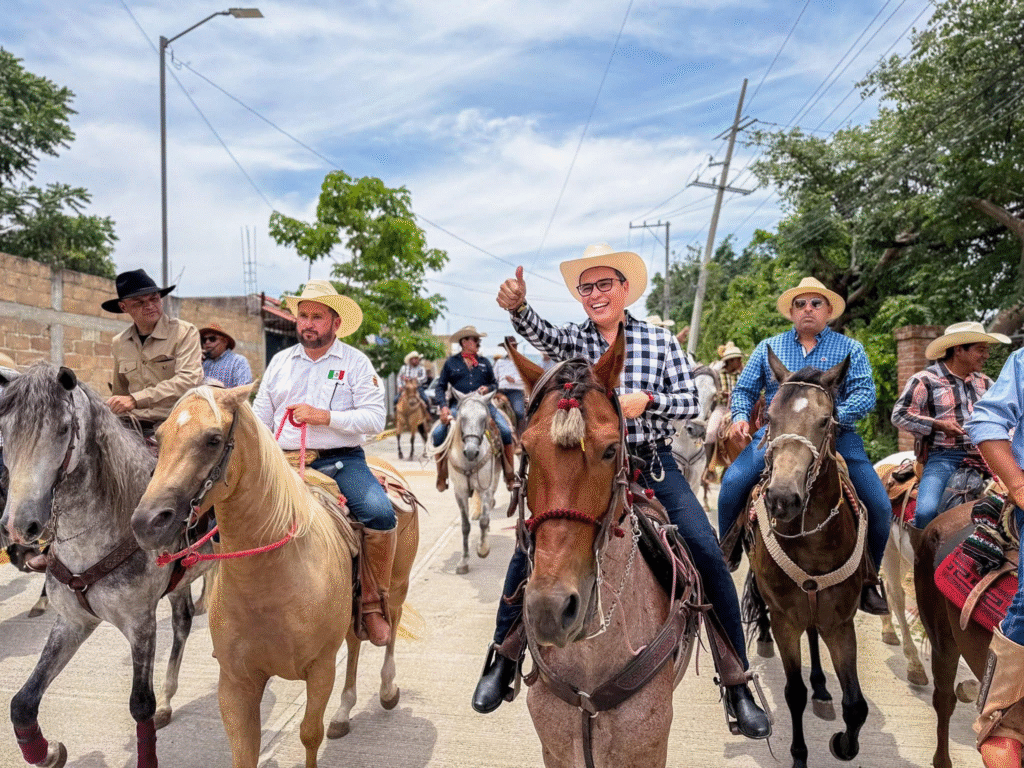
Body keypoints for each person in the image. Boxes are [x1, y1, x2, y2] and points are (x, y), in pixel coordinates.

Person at [476, 242, 771, 740]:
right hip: (588, 467)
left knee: (706, 552)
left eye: (604, 285)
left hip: (650, 464)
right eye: (586, 288)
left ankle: (736, 679)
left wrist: (647, 400)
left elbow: (688, 402)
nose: (595, 294)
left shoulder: (660, 341)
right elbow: (539, 332)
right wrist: (518, 306)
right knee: (532, 543)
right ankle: (503, 656)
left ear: (624, 289)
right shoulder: (574, 341)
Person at [716, 277, 891, 615]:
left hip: (836, 434)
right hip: (778, 435)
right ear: (791, 312)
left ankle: (869, 579)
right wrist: (739, 417)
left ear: (828, 311)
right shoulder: (769, 347)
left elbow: (865, 394)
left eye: (815, 303)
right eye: (800, 304)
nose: (807, 309)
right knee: (733, 483)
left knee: (880, 506)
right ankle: (727, 552)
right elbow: (745, 391)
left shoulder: (850, 348)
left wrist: (826, 418)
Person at [251, 280, 396, 647]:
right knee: (229, 515)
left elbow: (374, 419)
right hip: (283, 460)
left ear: (336, 323)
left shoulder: (356, 363)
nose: (308, 323)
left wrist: (324, 416)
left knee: (380, 514)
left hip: (340, 460)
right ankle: (239, 603)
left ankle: (371, 603)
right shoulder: (280, 362)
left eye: (317, 317)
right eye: (303, 315)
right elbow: (260, 419)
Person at [891, 321, 1008, 535]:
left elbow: (1004, 415)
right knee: (926, 512)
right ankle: (922, 555)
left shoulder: (985, 382)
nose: (986, 356)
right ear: (959, 350)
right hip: (944, 456)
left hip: (987, 454)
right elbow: (899, 416)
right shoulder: (925, 380)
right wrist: (937, 425)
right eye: (981, 350)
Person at [965, 346, 1024, 767]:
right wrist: (1017, 486)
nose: (982, 353)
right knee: (924, 506)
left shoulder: (982, 379)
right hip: (951, 454)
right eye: (977, 348)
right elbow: (986, 421)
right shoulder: (927, 381)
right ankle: (1004, 718)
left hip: (986, 461)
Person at [103, 269, 203, 434]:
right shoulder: (119, 342)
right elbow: (120, 392)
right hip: (133, 426)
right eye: (139, 302)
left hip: (177, 424)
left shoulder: (184, 332)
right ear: (123, 307)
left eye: (154, 299)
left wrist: (136, 400)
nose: (150, 306)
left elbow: (189, 380)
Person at [431, 326, 515, 493]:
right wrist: (444, 407)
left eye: (478, 340)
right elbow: (440, 387)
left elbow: (494, 384)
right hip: (459, 406)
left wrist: (487, 388)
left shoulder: (484, 363)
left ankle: (509, 475)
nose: (478, 343)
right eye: (475, 340)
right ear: (464, 342)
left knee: (505, 431)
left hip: (484, 405)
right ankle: (442, 475)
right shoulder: (451, 363)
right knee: (438, 434)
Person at [705, 341, 744, 465]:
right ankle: (707, 466)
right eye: (738, 359)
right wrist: (721, 394)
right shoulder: (717, 374)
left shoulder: (742, 374)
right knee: (710, 432)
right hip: (722, 407)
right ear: (730, 361)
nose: (740, 361)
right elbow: (711, 392)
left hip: (740, 408)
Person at [199, 322, 253, 388]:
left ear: (225, 341)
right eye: (204, 340)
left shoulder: (238, 361)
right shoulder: (203, 363)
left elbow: (243, 389)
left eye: (212, 339)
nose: (207, 342)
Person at [493, 338, 526, 431]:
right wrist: (496, 391)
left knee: (519, 412)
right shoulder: (499, 362)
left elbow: (526, 379)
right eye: (509, 346)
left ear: (516, 347)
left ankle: (520, 434)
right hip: (500, 391)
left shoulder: (522, 362)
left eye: (514, 346)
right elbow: (493, 378)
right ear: (505, 348)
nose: (512, 348)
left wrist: (514, 380)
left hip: (515, 391)